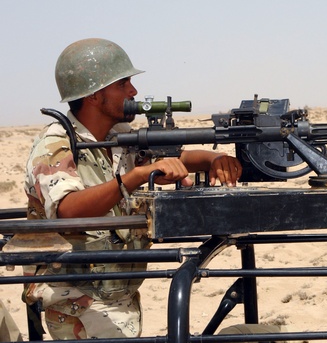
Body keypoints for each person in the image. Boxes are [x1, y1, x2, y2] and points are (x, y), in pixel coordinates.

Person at [23, 38, 243, 339]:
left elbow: (174, 158)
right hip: (77, 304)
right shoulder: (56, 144)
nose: (134, 92)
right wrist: (138, 176)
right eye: (123, 83)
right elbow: (68, 209)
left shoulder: (118, 136)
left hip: (118, 297)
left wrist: (213, 159)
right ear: (95, 95)